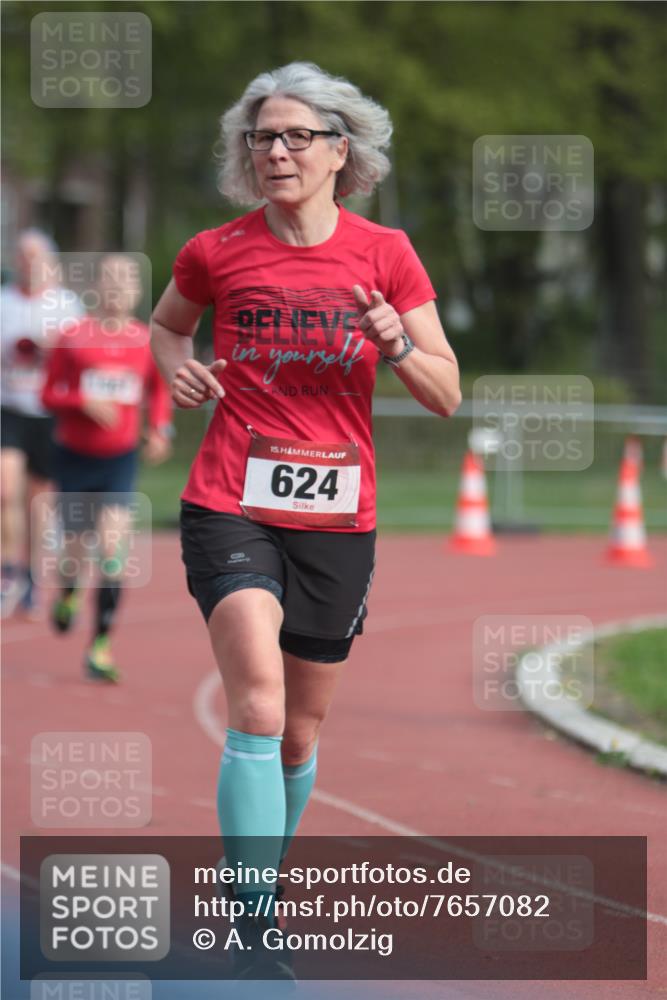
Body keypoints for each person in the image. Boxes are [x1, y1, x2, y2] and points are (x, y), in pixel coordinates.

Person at [151, 61, 461, 978]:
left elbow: (444, 393)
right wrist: (179, 364)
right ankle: (253, 932)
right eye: (261, 138)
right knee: (255, 699)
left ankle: (265, 895)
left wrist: (393, 340)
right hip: (228, 500)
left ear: (341, 151)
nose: (275, 151)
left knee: (298, 732)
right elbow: (167, 325)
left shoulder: (386, 254)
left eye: (294, 136)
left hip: (336, 514)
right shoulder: (215, 250)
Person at [41, 253, 172, 680]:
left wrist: (159, 429)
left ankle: (100, 645)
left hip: (119, 460)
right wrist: (82, 400)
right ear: (97, 286)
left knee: (113, 551)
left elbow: (157, 391)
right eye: (110, 279)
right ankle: (68, 592)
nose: (118, 287)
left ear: (136, 290)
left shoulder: (145, 339)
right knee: (74, 553)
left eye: (126, 280)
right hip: (75, 458)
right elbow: (47, 394)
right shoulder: (73, 336)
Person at [0, 230, 84, 617]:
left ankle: (32, 577)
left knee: (39, 503)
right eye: (22, 256)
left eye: (36, 257)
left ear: (49, 263)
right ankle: (7, 572)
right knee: (5, 490)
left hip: (49, 412)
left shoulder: (66, 305)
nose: (29, 263)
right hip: (9, 407)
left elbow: (84, 354)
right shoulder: (4, 302)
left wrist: (52, 349)